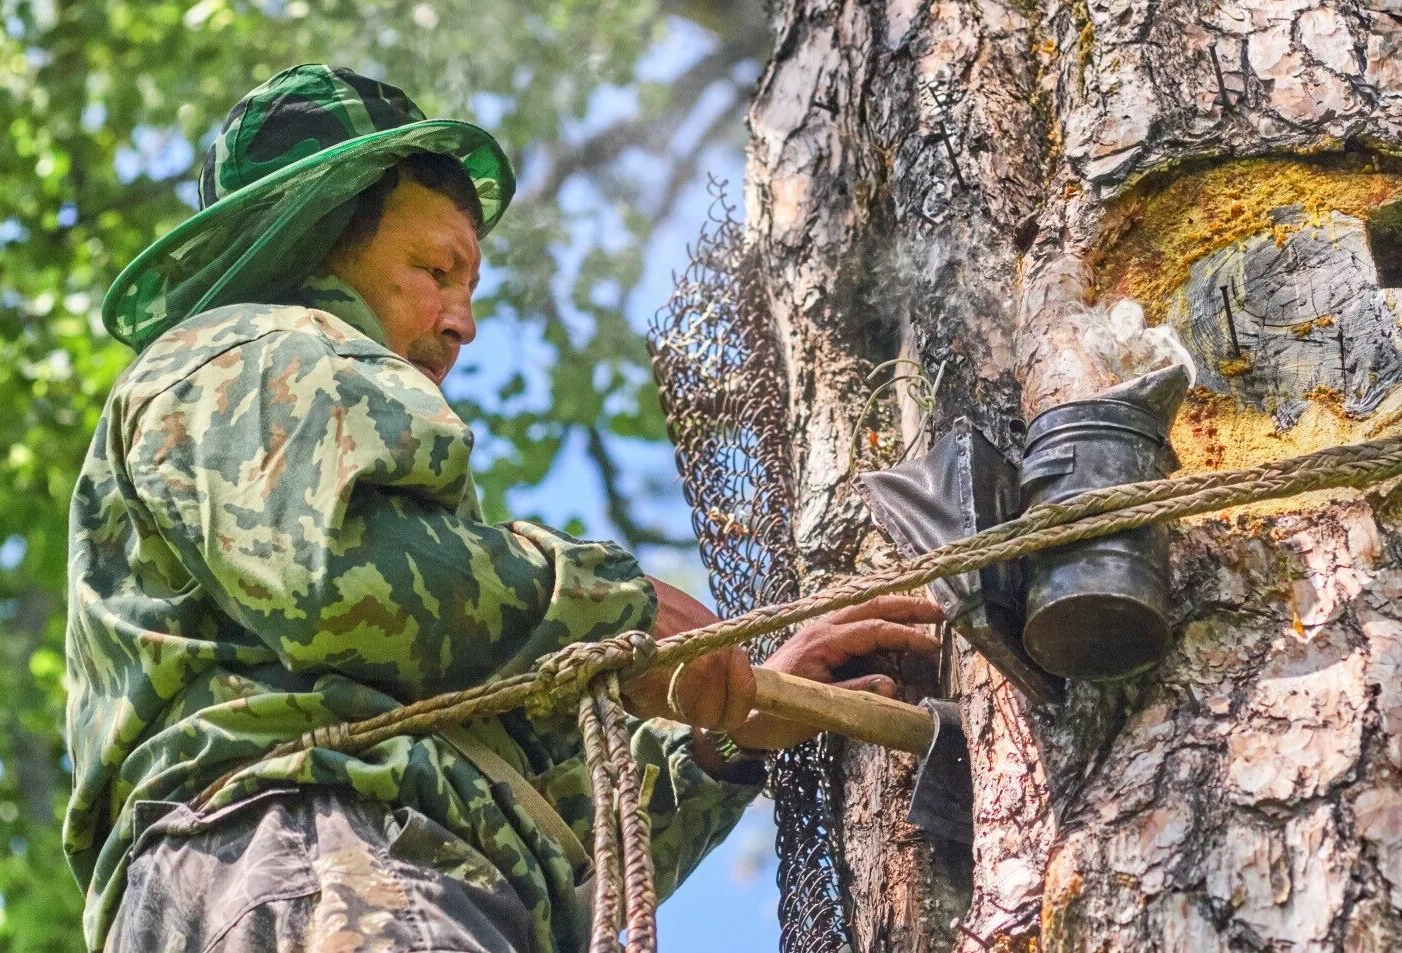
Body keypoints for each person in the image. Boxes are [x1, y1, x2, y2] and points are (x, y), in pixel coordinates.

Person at [65, 64, 942, 953]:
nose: (463, 321)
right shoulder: (246, 350)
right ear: (316, 241)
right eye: (435, 269)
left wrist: (722, 741)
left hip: (333, 879)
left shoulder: (419, 637)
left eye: (470, 286)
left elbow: (548, 832)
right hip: (307, 853)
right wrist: (614, 608)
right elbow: (333, 576)